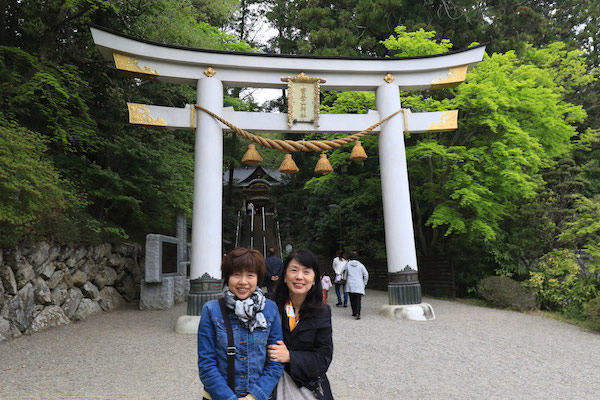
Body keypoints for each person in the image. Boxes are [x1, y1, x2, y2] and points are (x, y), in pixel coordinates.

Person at [197, 247, 284, 400]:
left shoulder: (270, 310)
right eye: (236, 275)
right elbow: (206, 365)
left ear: (258, 278)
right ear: (227, 277)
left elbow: (275, 362)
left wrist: (254, 396)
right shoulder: (211, 311)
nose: (243, 282)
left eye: (250, 275)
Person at [267, 249, 334, 400]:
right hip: (270, 384)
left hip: (305, 385)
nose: (299, 277)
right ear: (285, 275)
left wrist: (290, 356)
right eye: (294, 270)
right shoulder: (269, 305)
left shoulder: (322, 312)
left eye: (306, 272)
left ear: (315, 277)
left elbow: (323, 359)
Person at [342, 250, 369, 320]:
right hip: (359, 284)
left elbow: (343, 272)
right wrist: (364, 283)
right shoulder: (361, 265)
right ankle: (358, 313)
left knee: (352, 298)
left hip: (350, 283)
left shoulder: (347, 264)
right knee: (358, 299)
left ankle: (354, 311)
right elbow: (366, 274)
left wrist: (344, 278)